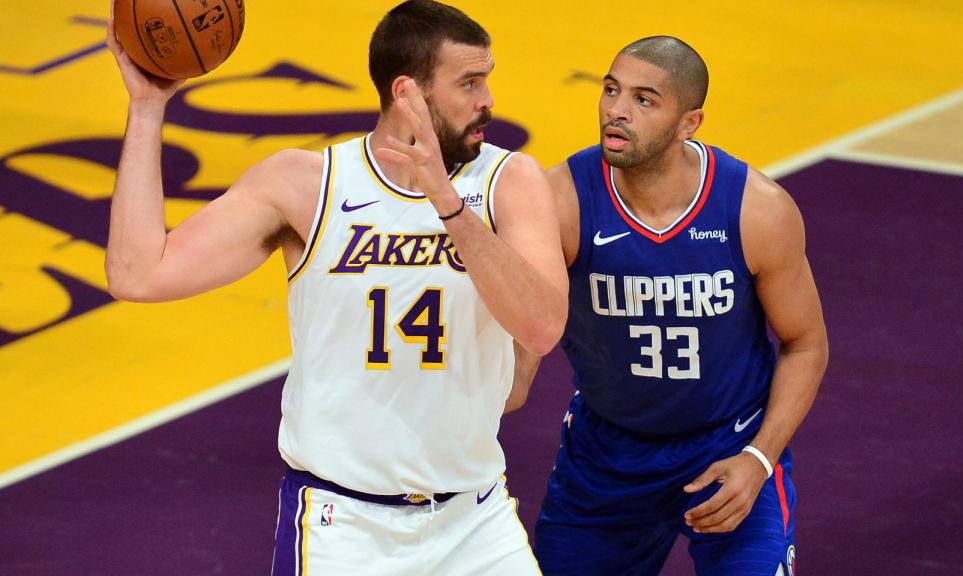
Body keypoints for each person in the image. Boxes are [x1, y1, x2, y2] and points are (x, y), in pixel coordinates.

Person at [104, 1, 567, 574]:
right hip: (342, 526)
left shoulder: (507, 181)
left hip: (474, 520)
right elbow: (136, 274)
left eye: (486, 80)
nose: (487, 100)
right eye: (470, 82)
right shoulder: (307, 185)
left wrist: (444, 202)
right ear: (407, 94)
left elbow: (543, 328)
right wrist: (148, 109)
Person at [520, 37, 829, 575]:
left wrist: (760, 459)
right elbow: (521, 333)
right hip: (606, 458)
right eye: (611, 90)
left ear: (690, 123)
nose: (616, 109)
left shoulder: (756, 209)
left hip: (731, 447)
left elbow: (806, 342)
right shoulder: (561, 201)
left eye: (644, 99)